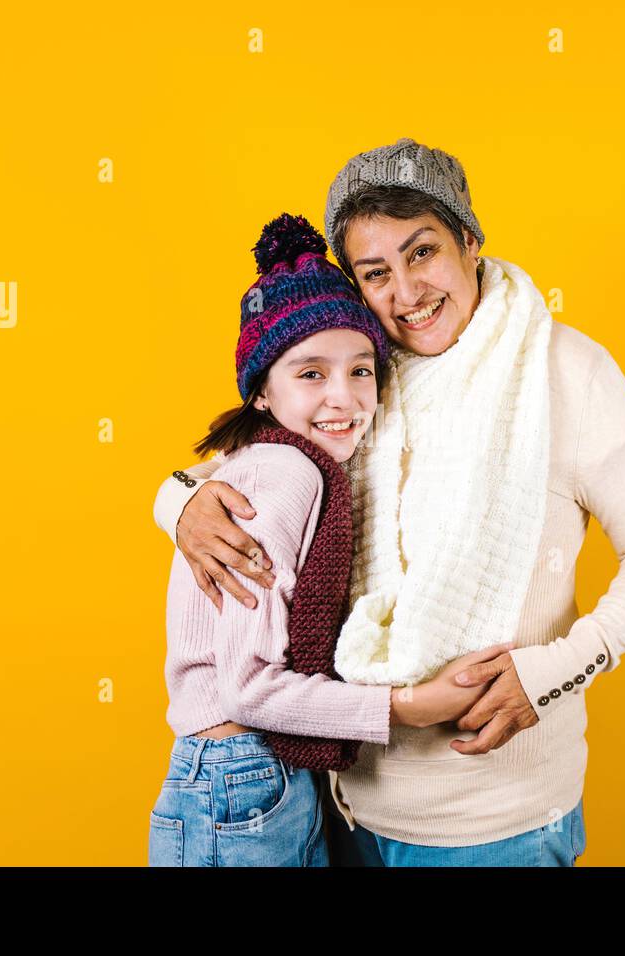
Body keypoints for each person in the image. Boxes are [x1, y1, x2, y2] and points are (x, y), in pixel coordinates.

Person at [154, 138, 625, 866]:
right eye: (376, 272)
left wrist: (559, 668)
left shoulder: (565, 370)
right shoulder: (356, 372)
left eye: (423, 253)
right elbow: (245, 469)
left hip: (496, 825)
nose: (405, 293)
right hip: (340, 805)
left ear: (470, 241)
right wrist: (177, 505)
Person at [148, 212, 509, 867]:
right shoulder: (286, 475)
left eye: (361, 371)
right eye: (310, 374)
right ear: (261, 391)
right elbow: (249, 689)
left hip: (255, 770)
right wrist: (408, 708)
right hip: (241, 768)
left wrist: (172, 497)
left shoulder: (282, 463)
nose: (343, 400)